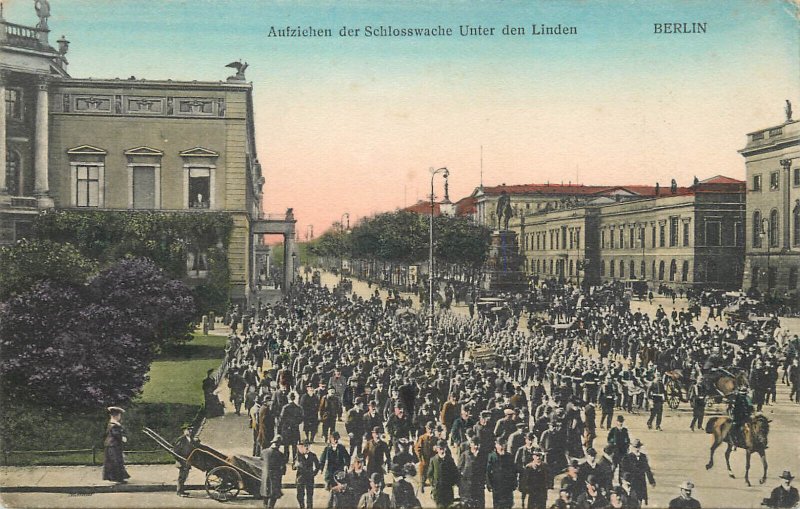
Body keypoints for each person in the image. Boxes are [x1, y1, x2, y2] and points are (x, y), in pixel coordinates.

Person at [620, 439, 655, 506]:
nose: (637, 449)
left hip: (641, 483)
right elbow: (623, 470)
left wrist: (651, 481)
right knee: (633, 501)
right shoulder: (627, 457)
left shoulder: (643, 457)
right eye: (635, 447)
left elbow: (647, 469)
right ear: (632, 447)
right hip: (632, 483)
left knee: (639, 501)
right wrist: (626, 480)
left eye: (638, 447)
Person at [487, 437, 518, 509]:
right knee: (497, 505)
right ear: (496, 445)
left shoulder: (509, 456)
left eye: (503, 444)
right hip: (496, 485)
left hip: (507, 486)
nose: (501, 446)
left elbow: (513, 472)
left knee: (508, 504)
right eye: (499, 444)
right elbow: (488, 471)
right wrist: (489, 484)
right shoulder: (492, 456)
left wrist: (514, 483)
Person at [427, 440, 459, 508]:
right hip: (438, 490)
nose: (442, 451)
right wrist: (434, 483)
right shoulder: (433, 460)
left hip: (448, 490)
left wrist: (452, 483)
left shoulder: (449, 459)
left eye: (443, 448)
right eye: (440, 449)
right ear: (437, 449)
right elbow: (430, 474)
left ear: (446, 448)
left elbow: (455, 472)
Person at [102, 407, 130, 484]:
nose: (120, 417)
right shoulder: (114, 425)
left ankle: (115, 477)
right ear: (116, 416)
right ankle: (118, 478)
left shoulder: (111, 423)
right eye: (119, 415)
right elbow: (116, 434)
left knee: (113, 461)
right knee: (116, 461)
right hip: (113, 445)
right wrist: (122, 438)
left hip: (111, 444)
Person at [173, 423, 200, 497]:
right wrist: (181, 460)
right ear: (184, 431)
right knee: (182, 477)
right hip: (182, 461)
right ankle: (179, 492)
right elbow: (175, 451)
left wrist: (197, 441)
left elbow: (195, 445)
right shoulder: (181, 439)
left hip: (187, 461)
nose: (190, 431)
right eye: (188, 429)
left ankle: (182, 491)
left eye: (191, 429)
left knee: (185, 476)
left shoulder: (190, 439)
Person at [261, 436, 287, 509]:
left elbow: (261, 460)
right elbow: (283, 468)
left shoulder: (264, 452)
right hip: (275, 477)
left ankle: (265, 506)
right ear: (278, 445)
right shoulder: (280, 455)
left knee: (265, 493)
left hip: (265, 476)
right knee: (273, 495)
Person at [295, 439, 320, 509]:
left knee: (310, 495)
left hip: (309, 478)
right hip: (300, 478)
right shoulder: (298, 455)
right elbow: (293, 467)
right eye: (305, 445)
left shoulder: (313, 455)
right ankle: (301, 506)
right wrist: (296, 465)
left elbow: (318, 466)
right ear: (302, 446)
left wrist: (314, 473)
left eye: (308, 445)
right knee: (300, 495)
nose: (306, 447)